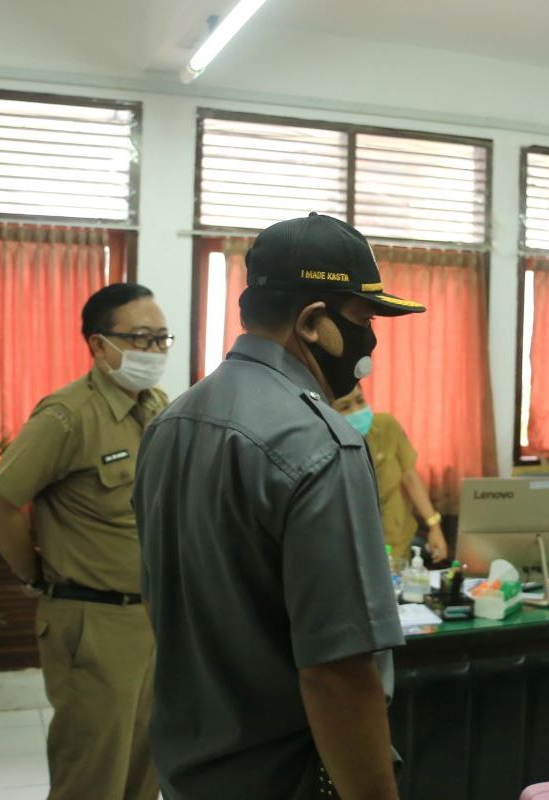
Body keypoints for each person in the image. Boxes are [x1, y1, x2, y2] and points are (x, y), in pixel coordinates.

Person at [133, 213, 424, 800]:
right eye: (364, 319)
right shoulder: (320, 444)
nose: (370, 341)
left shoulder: (174, 421)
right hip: (285, 776)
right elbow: (337, 673)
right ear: (314, 322)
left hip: (193, 768)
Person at [0, 283, 171, 800]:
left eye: (161, 340)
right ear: (98, 344)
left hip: (151, 619)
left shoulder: (156, 407)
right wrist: (33, 574)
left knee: (143, 772)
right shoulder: (66, 416)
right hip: (93, 622)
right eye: (141, 339)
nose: (153, 353)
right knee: (91, 779)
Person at [332, 385, 448, 562]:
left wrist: (434, 526)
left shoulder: (386, 426)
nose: (357, 410)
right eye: (345, 407)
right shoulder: (326, 447)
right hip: (352, 545)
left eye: (360, 401)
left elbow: (410, 477)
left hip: (397, 537)